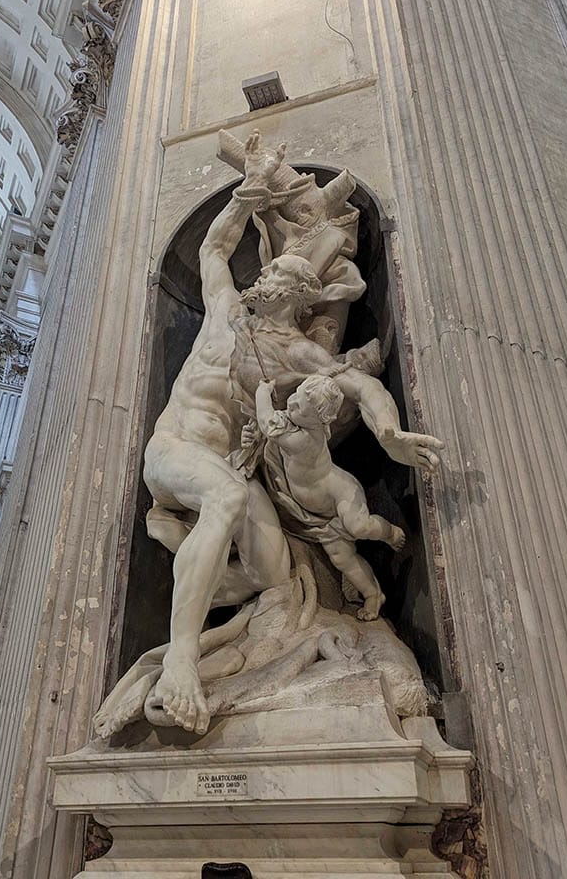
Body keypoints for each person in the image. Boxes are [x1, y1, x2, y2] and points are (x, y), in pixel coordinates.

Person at [134, 132, 443, 737]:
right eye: (270, 268)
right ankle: (178, 660)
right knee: (224, 496)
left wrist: (389, 432)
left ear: (299, 294)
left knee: (278, 584)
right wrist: (248, 190)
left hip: (228, 468)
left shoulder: (295, 352)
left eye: (279, 273)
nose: (266, 274)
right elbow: (215, 250)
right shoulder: (224, 310)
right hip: (176, 452)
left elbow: (357, 386)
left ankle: (202, 602)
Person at [255, 375, 405, 621]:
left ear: (319, 420)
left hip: (342, 494)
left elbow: (267, 424)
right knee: (341, 559)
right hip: (321, 514)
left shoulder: (304, 439)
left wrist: (263, 393)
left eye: (299, 407)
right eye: (295, 395)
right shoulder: (298, 425)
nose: (290, 403)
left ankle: (388, 532)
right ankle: (372, 594)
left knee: (359, 527)